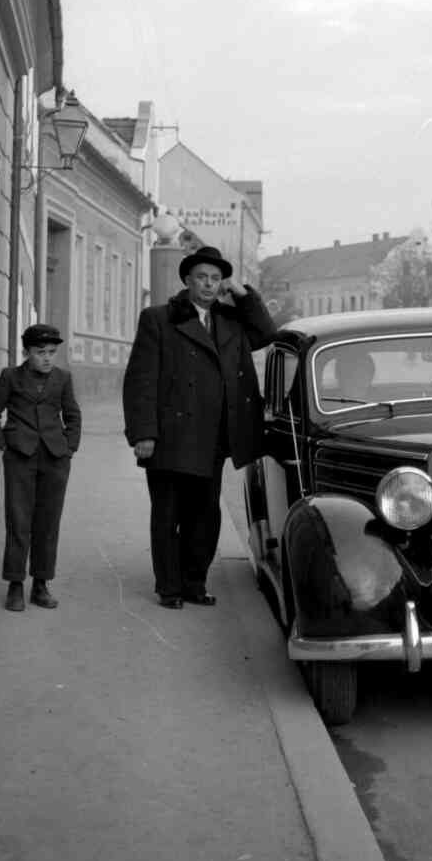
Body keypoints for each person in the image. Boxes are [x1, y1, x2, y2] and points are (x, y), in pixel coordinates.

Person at [122, 245, 276, 609]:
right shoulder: (159, 318)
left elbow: (266, 332)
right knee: (168, 516)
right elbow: (140, 381)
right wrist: (143, 433)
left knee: (205, 516)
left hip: (214, 437)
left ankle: (194, 583)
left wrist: (241, 292)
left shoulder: (231, 321)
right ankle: (169, 588)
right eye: (202, 277)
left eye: (216, 279)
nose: (208, 284)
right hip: (170, 437)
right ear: (187, 281)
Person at [0, 323, 82, 612]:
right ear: (27, 352)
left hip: (55, 459)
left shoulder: (63, 379)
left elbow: (73, 416)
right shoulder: (10, 377)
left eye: (51, 352)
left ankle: (40, 584)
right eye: (40, 352)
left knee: (48, 523)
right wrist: (2, 443)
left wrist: (69, 448)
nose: (47, 358)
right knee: (18, 521)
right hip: (20, 458)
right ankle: (15, 585)